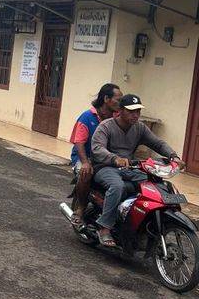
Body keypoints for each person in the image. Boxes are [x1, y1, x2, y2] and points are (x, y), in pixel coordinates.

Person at [91, 94, 184, 247]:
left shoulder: (139, 127)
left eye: (138, 111)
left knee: (155, 184)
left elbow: (158, 144)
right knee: (117, 186)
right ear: (120, 110)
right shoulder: (106, 126)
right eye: (131, 111)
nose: (136, 115)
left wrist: (174, 157)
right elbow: (97, 149)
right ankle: (105, 228)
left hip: (129, 168)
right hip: (106, 167)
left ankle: (142, 223)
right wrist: (115, 159)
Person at [68, 83, 122, 226]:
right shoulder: (87, 116)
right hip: (85, 156)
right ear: (106, 99)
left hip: (105, 158)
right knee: (85, 173)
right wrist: (85, 162)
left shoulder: (117, 117)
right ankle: (81, 207)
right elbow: (79, 142)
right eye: (118, 99)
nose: (120, 103)